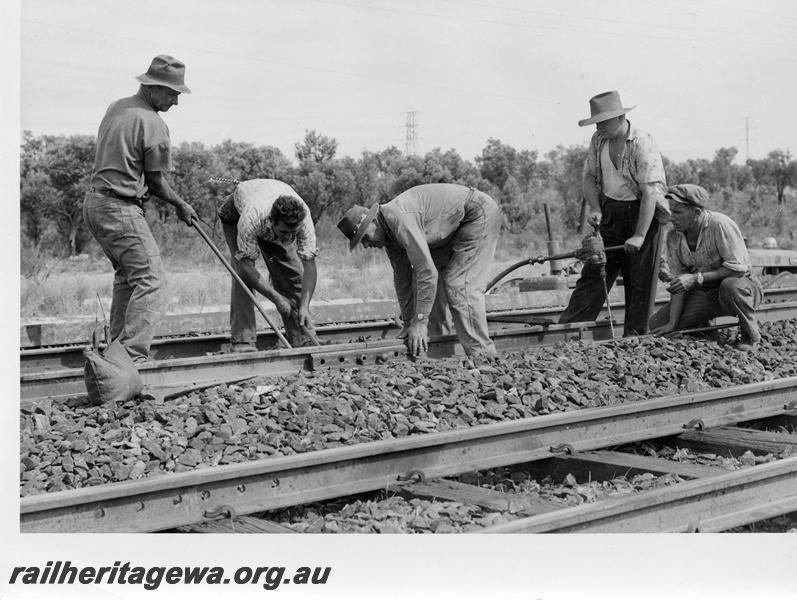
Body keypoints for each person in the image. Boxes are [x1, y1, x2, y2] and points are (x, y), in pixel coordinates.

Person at [83, 55, 198, 363]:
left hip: (94, 204)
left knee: (128, 277)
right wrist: (181, 204)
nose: (176, 101)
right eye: (173, 93)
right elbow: (158, 184)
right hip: (119, 207)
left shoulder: (117, 106)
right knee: (153, 280)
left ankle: (115, 353)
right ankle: (130, 357)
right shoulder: (155, 125)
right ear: (155, 88)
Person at [337, 183, 502, 357]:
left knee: (459, 284)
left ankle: (484, 356)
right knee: (426, 287)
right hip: (450, 228)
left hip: (476, 214)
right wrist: (409, 322)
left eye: (364, 237)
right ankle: (440, 352)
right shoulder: (389, 237)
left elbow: (427, 272)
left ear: (374, 221)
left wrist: (420, 321)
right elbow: (403, 279)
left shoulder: (398, 218)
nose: (366, 245)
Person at [558, 90, 669, 336]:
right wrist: (596, 208)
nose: (599, 127)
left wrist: (640, 236)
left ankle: (635, 336)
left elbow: (650, 193)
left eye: (603, 121)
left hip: (643, 213)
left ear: (620, 118)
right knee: (595, 270)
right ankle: (569, 330)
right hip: (610, 210)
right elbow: (588, 177)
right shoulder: (599, 140)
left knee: (638, 279)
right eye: (596, 122)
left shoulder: (642, 143)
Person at [649, 184, 763, 352]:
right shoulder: (674, 236)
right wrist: (673, 323)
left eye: (678, 213)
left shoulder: (720, 225)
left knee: (730, 285)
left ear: (696, 213)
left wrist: (696, 278)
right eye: (671, 211)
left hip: (742, 287)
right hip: (706, 293)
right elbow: (680, 283)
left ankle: (750, 336)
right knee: (657, 324)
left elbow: (738, 270)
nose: (672, 218)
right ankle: (708, 331)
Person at [218, 179, 319, 351]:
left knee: (292, 273)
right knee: (242, 277)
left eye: (293, 233)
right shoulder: (252, 219)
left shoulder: (304, 220)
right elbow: (246, 268)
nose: (288, 238)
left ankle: (302, 338)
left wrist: (304, 306)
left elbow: (309, 267)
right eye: (284, 232)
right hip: (236, 213)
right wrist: (277, 298)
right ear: (272, 221)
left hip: (267, 201)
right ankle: (243, 341)